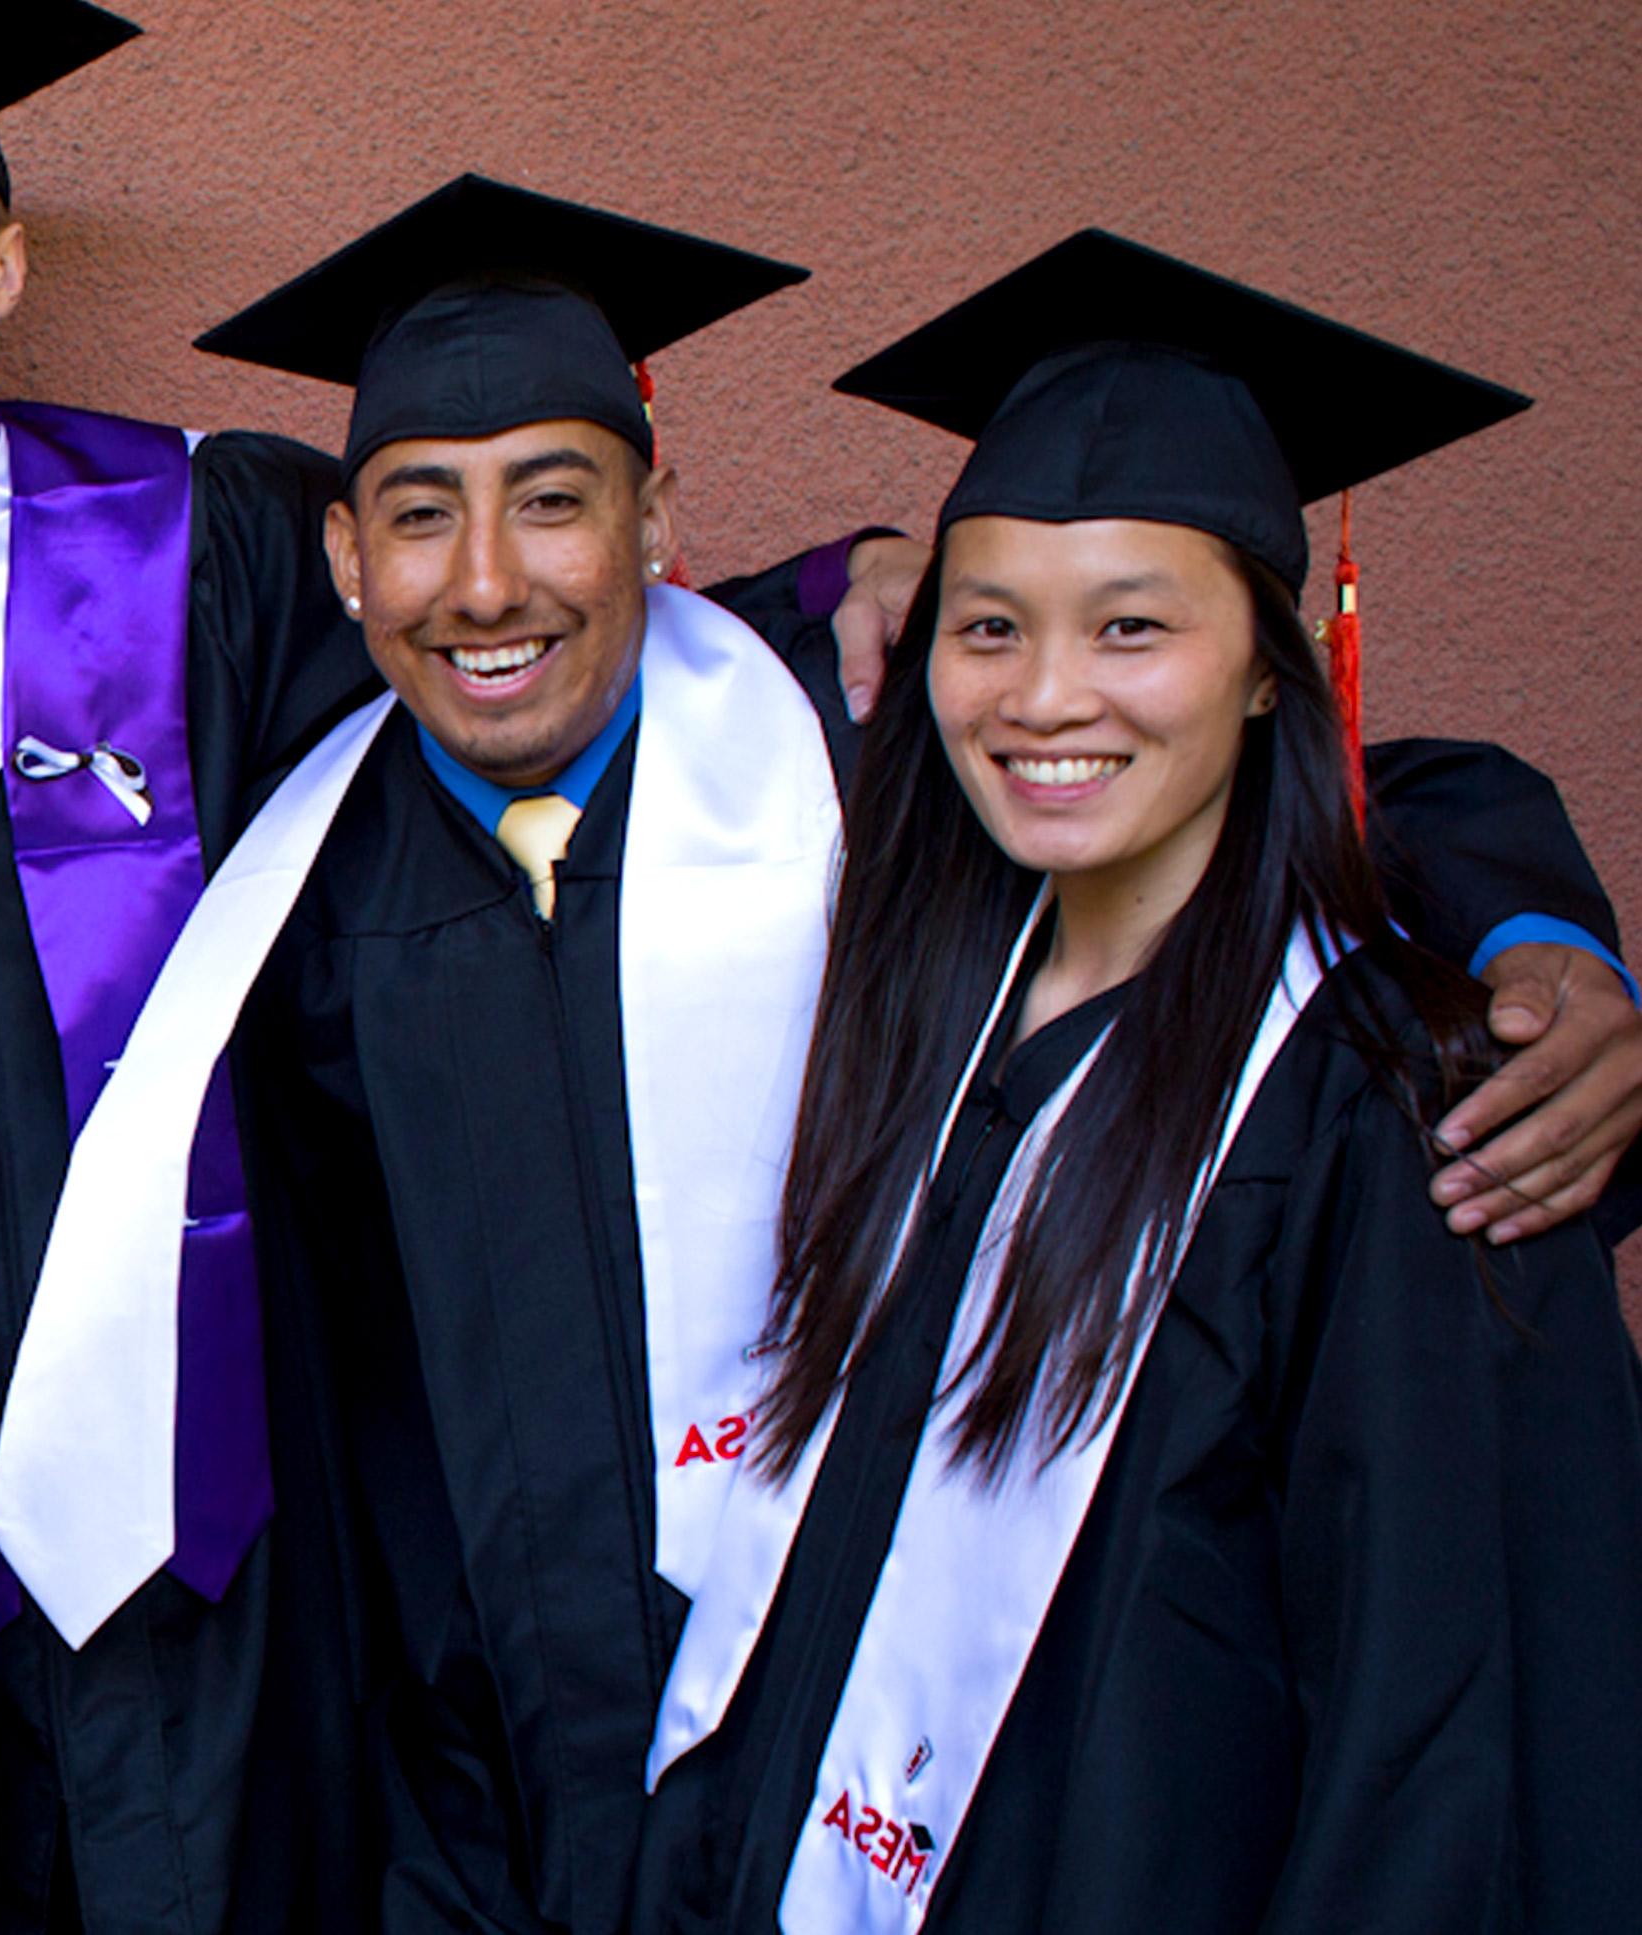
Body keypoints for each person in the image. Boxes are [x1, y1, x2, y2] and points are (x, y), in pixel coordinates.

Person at [147, 181, 1638, 1931]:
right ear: (346, 563)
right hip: (509, 1802)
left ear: (652, 519)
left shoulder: (823, 767)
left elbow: (1367, 804)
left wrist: (1546, 939)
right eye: (991, 629)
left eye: (556, 502)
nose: (1045, 693)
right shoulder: (302, 861)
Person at [0, 16, 928, 1930]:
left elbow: (511, 660)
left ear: (10, 258)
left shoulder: (207, 535)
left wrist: (847, 594)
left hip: (234, 1457)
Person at [635, 230, 1642, 1934]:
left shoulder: (1397, 1119)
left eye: (1131, 628)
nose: (1044, 698)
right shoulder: (927, 1006)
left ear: (1267, 669)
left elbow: (1448, 1733)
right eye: (989, 626)